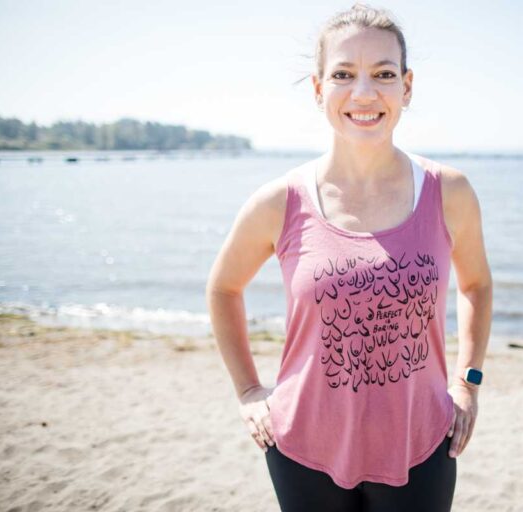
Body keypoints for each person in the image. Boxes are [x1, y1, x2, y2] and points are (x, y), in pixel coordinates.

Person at [206, 4, 492, 511]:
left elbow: (477, 286)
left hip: (420, 438)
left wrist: (468, 382)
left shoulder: (449, 192)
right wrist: (249, 391)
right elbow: (224, 287)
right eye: (343, 74)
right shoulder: (280, 201)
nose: (364, 93)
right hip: (302, 445)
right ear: (319, 90)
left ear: (406, 87)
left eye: (383, 74)